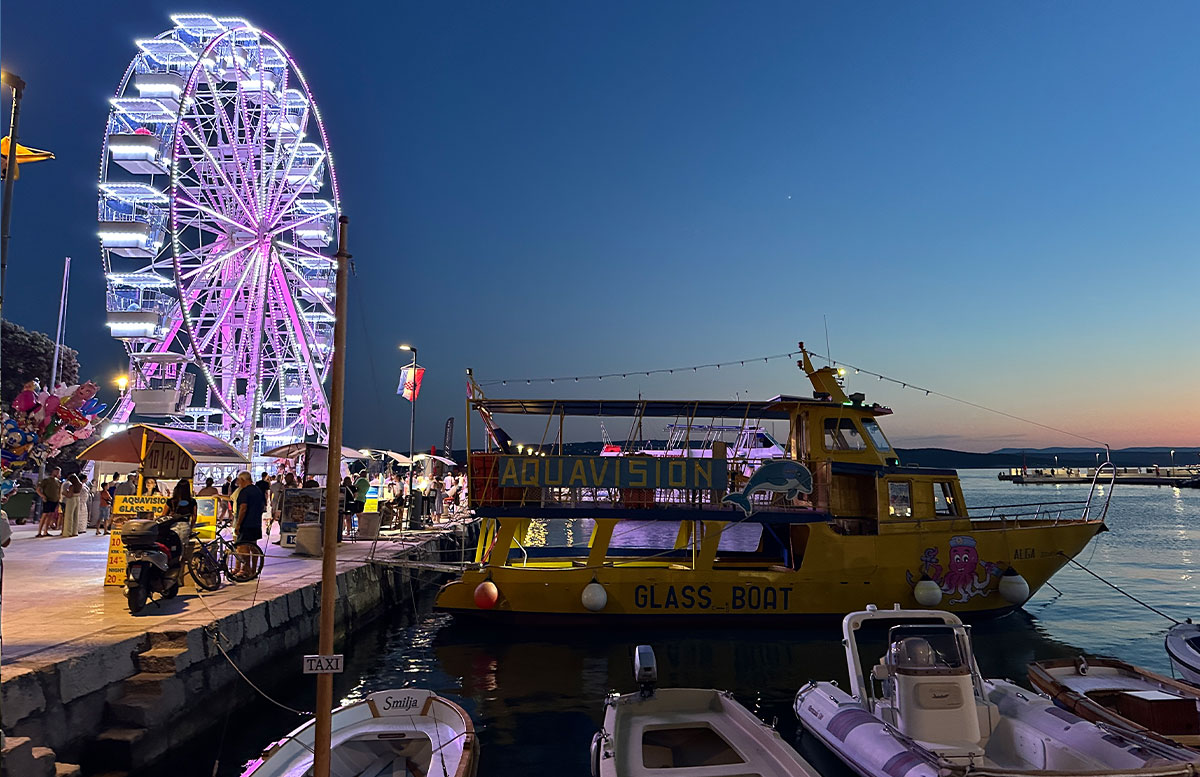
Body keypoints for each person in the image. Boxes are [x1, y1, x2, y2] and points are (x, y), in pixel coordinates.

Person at [232, 471, 265, 577]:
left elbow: (243, 508)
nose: (238, 483)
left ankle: (246, 569)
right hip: (256, 523)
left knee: (242, 548)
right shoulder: (258, 490)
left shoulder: (244, 492)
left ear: (242, 480)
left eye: (238, 480)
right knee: (253, 546)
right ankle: (253, 570)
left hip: (246, 524)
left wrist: (238, 524)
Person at [35, 467, 63, 537]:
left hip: (55, 500)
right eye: (56, 472)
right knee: (45, 515)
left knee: (50, 516)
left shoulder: (58, 481)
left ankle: (45, 531)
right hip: (47, 500)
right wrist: (42, 496)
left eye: (59, 472)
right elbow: (38, 489)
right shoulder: (46, 480)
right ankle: (39, 532)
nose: (57, 473)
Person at [61, 473, 82, 538]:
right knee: (76, 516)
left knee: (69, 516)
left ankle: (68, 532)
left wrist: (64, 493)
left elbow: (69, 495)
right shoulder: (80, 485)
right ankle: (75, 531)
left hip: (71, 500)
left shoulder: (72, 486)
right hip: (78, 499)